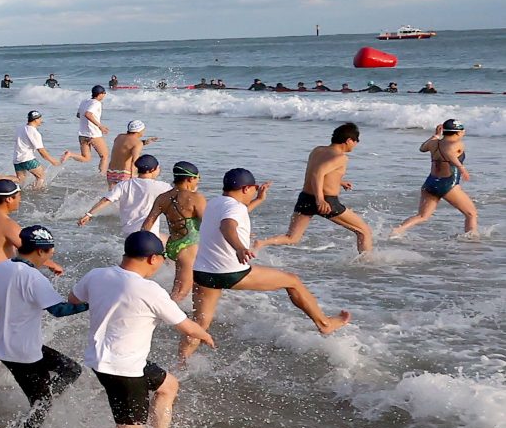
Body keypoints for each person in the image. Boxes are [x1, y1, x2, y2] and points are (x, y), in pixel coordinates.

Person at [68, 232, 216, 428]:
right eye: (162, 260)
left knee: (168, 386)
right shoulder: (149, 290)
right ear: (152, 259)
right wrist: (206, 335)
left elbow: (73, 298)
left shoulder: (97, 275)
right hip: (123, 368)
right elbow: (185, 326)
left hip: (105, 359)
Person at [185, 168, 351, 359]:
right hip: (231, 272)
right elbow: (227, 226)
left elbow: (231, 216)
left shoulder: (215, 203)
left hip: (204, 273)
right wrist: (239, 248)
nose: (254, 192)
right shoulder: (235, 209)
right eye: (254, 190)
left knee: (199, 324)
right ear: (246, 188)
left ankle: (181, 364)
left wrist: (259, 201)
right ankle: (325, 324)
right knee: (293, 281)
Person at [0, 226, 87, 428]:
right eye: (50, 251)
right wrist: (90, 304)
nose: (51, 255)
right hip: (24, 354)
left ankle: (43, 397)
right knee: (41, 405)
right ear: (40, 251)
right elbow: (59, 310)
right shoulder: (34, 278)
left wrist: (8, 298)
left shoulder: (0, 268)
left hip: (5, 347)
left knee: (71, 370)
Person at [256, 123, 373, 253]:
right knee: (364, 231)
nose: (356, 145)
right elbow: (318, 173)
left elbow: (317, 172)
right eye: (356, 141)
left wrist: (339, 182)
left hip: (305, 198)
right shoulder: (341, 157)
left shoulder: (317, 150)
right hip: (327, 202)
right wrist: (320, 199)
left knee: (291, 237)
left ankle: (261, 243)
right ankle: (366, 263)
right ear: (349, 140)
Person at [392, 119, 476, 236]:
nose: (464, 133)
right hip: (447, 184)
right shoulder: (457, 144)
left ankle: (397, 231)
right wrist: (461, 168)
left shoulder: (434, 142)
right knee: (471, 214)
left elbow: (422, 148)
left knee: (422, 216)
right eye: (462, 131)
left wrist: (436, 135)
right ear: (457, 133)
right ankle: (471, 240)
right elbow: (448, 152)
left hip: (431, 183)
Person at [141, 161, 206, 301]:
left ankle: (190, 315)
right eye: (197, 179)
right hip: (189, 245)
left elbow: (148, 223)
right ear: (190, 179)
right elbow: (208, 223)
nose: (198, 182)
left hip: (173, 244)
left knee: (193, 284)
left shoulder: (163, 198)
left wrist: (142, 248)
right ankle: (160, 318)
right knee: (181, 291)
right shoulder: (196, 198)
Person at [78, 154, 171, 239]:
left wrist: (88, 214)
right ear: (152, 170)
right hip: (149, 233)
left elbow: (106, 200)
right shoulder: (162, 186)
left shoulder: (124, 185)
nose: (159, 170)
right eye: (158, 168)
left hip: (129, 234)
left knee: (164, 239)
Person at [61, 85, 110, 174]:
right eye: (104, 94)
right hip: (93, 134)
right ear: (100, 94)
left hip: (82, 134)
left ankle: (70, 154)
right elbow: (88, 114)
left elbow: (78, 115)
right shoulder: (96, 103)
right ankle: (101, 175)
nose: (104, 96)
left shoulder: (84, 101)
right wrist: (100, 126)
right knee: (105, 156)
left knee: (86, 158)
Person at [13, 110, 61, 189]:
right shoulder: (34, 132)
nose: (41, 121)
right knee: (41, 175)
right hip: (27, 158)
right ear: (35, 120)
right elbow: (41, 151)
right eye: (40, 119)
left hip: (17, 158)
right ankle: (36, 192)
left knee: (20, 180)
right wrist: (53, 161)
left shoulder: (20, 128)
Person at [106, 120, 158, 187]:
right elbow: (135, 161)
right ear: (139, 131)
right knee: (126, 195)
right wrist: (134, 177)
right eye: (143, 130)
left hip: (111, 172)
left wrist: (144, 142)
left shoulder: (119, 137)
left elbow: (126, 146)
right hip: (125, 173)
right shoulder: (137, 143)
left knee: (112, 194)